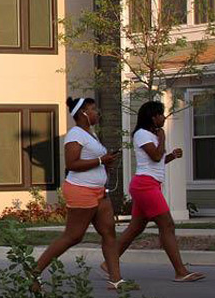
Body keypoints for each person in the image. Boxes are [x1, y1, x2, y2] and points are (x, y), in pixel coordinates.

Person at [33, 97, 135, 291]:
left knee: (109, 233)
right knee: (73, 236)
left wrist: (106, 163)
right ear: (82, 114)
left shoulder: (90, 134)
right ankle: (34, 273)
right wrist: (101, 160)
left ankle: (116, 280)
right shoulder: (75, 135)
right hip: (81, 190)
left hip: (99, 192)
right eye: (93, 109)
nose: (97, 113)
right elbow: (72, 164)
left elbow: (95, 160)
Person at [102, 101, 204, 282]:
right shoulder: (142, 134)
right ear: (152, 117)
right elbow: (156, 156)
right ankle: (180, 272)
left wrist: (171, 156)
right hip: (145, 186)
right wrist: (163, 137)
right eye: (160, 114)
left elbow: (156, 162)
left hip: (149, 184)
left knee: (135, 228)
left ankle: (108, 263)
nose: (163, 117)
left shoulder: (151, 135)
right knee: (167, 225)